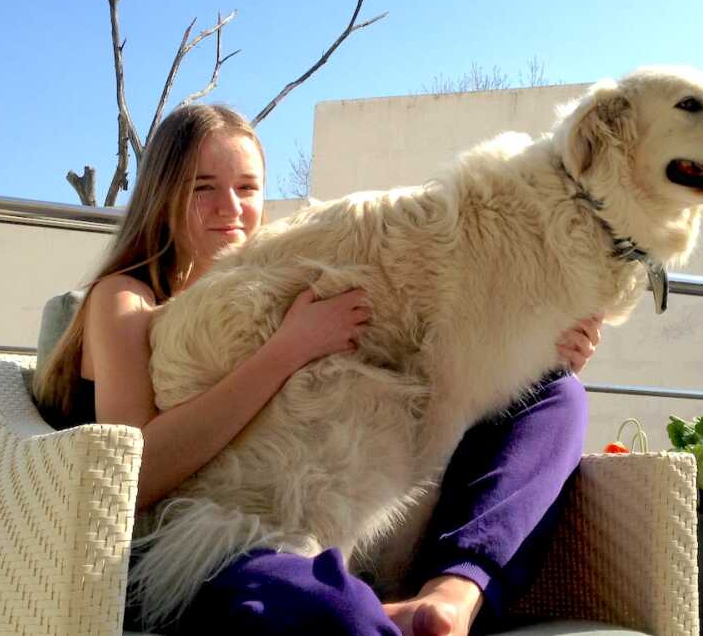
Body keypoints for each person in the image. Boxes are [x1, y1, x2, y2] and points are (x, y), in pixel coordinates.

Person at [33, 103, 602, 636]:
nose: (230, 209)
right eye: (202, 188)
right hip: (209, 536)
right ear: (161, 195)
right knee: (331, 609)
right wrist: (285, 350)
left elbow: (421, 377)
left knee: (555, 394)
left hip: (351, 505)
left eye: (247, 188)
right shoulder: (126, 299)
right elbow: (139, 476)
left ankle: (453, 592)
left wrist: (533, 351)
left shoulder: (297, 273)